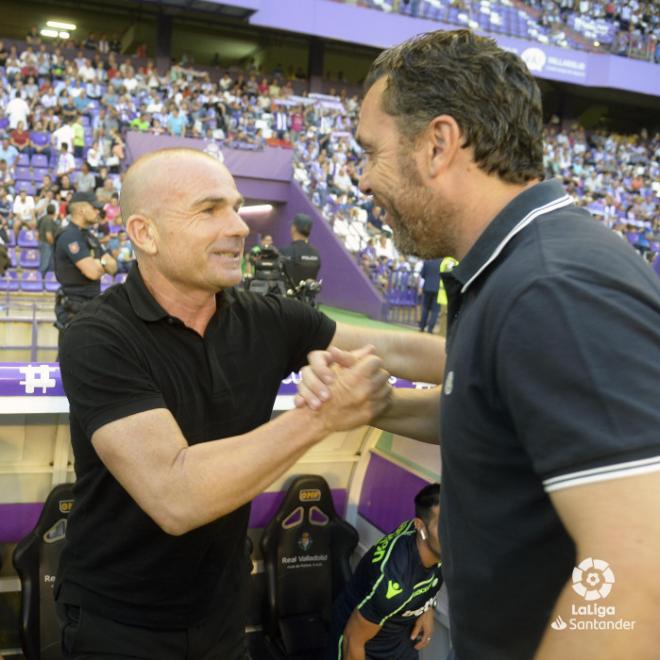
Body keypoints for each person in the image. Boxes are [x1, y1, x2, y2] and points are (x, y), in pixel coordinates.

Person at [296, 29, 660, 660]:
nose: (359, 180)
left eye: (370, 152)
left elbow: (637, 578)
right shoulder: (510, 269)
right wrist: (375, 404)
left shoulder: (550, 287)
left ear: (438, 144)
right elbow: (502, 414)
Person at [54, 147, 444, 659]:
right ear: (144, 233)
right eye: (210, 210)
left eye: (236, 208)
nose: (238, 227)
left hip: (222, 613)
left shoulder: (263, 319)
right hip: (118, 622)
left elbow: (395, 349)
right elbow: (176, 494)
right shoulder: (98, 337)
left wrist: (513, 356)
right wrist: (323, 415)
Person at [326, 483, 442, 660]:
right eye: (442, 526)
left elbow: (430, 572)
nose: (454, 533)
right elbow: (353, 641)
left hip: (399, 635)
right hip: (363, 641)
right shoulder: (396, 583)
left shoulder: (438, 544)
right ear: (420, 526)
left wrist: (427, 606)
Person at [53, 191, 117, 336]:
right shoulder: (69, 235)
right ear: (81, 210)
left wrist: (100, 262)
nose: (98, 211)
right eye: (94, 207)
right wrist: (102, 264)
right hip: (73, 310)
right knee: (74, 356)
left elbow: (114, 267)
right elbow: (93, 273)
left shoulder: (90, 236)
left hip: (90, 307)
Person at [279, 213, 321, 286]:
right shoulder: (316, 254)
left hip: (287, 296)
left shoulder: (284, 252)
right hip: (307, 296)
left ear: (294, 228)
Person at [418, 259, 440, 333]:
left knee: (425, 308)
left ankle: (422, 327)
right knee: (435, 310)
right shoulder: (443, 262)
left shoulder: (427, 261)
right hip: (438, 288)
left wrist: (420, 287)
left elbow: (422, 276)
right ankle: (430, 329)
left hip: (427, 287)